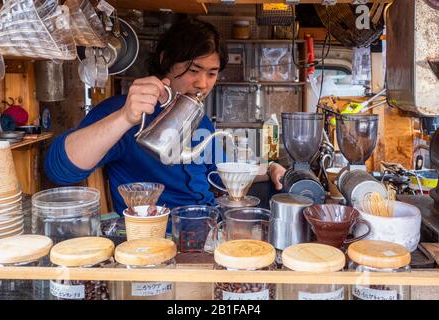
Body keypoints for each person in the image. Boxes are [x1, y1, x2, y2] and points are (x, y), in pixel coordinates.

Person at [44, 18, 286, 216]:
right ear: (165, 61)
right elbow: (59, 170)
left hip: (209, 225)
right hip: (162, 234)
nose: (202, 84)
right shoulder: (124, 111)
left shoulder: (198, 120)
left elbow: (221, 170)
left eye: (211, 74)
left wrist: (271, 168)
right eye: (193, 70)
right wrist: (125, 118)